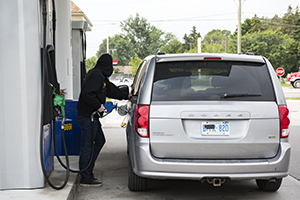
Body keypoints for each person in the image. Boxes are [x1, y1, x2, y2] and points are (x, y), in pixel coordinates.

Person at [77, 53, 131, 186]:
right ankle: (85, 176)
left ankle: (88, 170)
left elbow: (112, 90)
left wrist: (126, 95)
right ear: (106, 65)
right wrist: (98, 106)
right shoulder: (96, 75)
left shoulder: (101, 76)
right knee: (87, 146)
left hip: (92, 117)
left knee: (100, 140)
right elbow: (87, 93)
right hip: (87, 117)